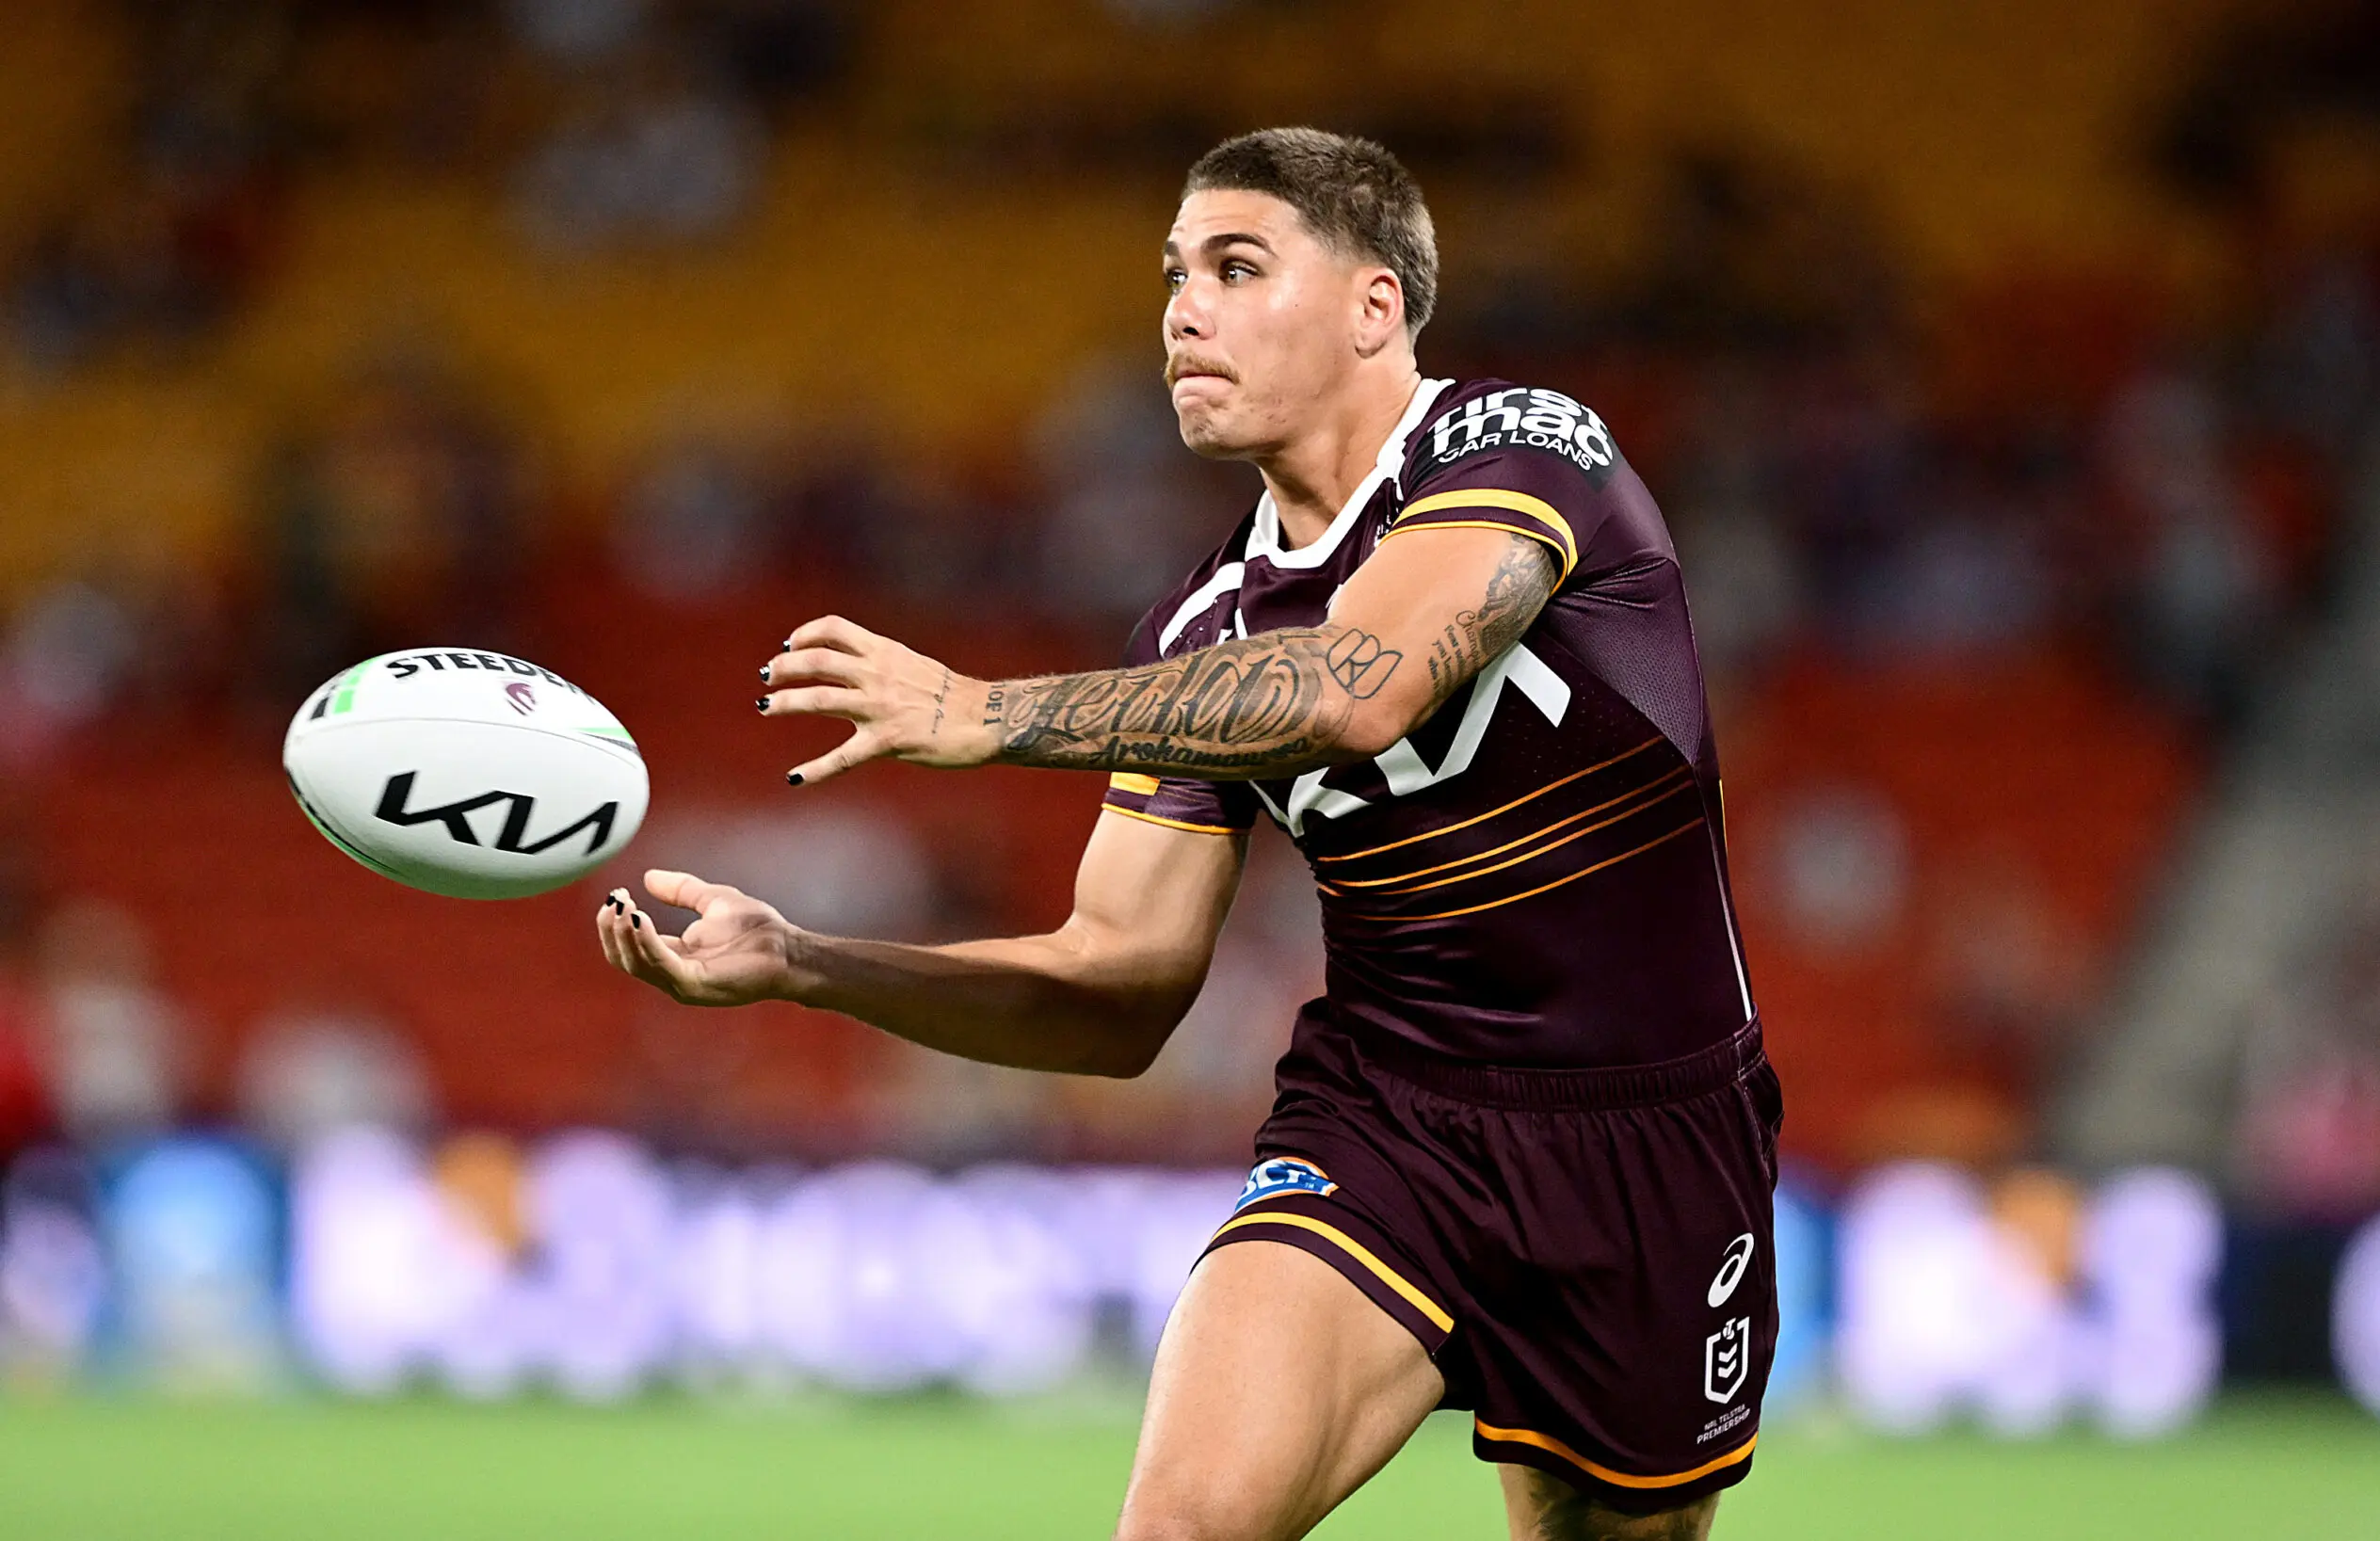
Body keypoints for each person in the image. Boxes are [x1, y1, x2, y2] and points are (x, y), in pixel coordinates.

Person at [597, 127, 1777, 1541]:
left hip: (1651, 1136)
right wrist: (808, 963)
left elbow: (1361, 686)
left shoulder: (1523, 444)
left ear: (1373, 307)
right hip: (1388, 1119)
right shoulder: (1199, 631)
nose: (1180, 310)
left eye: (1235, 266)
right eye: (1173, 273)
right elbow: (1117, 986)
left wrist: (986, 710)